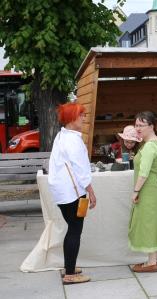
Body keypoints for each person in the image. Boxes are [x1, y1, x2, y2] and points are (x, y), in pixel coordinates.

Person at [48, 103, 97, 284]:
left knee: (72, 229)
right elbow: (81, 169)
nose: (84, 118)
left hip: (62, 192)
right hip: (73, 192)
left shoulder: (61, 136)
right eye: (81, 115)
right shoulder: (73, 140)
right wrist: (91, 191)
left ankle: (69, 266)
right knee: (75, 231)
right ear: (71, 118)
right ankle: (70, 274)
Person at [129, 111, 157, 272]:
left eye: (141, 125)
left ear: (151, 126)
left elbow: (144, 172)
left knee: (148, 224)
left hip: (148, 190)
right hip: (154, 189)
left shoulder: (150, 146)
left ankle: (151, 262)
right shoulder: (156, 143)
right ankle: (155, 259)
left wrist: (135, 191)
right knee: (153, 223)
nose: (138, 128)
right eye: (136, 125)